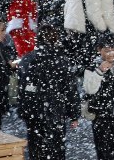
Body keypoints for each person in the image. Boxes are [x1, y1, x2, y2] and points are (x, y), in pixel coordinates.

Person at [18, 23, 81, 160]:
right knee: (56, 149)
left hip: (34, 112)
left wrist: (24, 111)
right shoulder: (62, 60)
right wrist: (74, 114)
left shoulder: (28, 60)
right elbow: (70, 90)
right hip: (56, 111)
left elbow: (22, 88)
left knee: (36, 148)